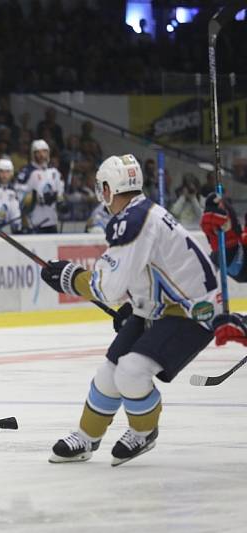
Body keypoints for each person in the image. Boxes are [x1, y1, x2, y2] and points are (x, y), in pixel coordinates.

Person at [40, 154, 217, 466]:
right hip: (159, 307)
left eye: (101, 187)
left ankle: (144, 430)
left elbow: (107, 287)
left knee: (131, 371)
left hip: (192, 312)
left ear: (108, 188)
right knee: (108, 373)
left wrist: (69, 278)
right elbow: (146, 270)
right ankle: (86, 436)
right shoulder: (143, 213)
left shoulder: (132, 222)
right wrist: (135, 304)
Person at [16, 139, 64, 233]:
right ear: (33, 154)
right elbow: (18, 196)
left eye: (44, 151)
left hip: (52, 221)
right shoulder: (26, 172)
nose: (42, 155)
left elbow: (60, 193)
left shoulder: (54, 171)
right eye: (38, 152)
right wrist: (37, 198)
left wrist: (60, 201)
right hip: (34, 223)